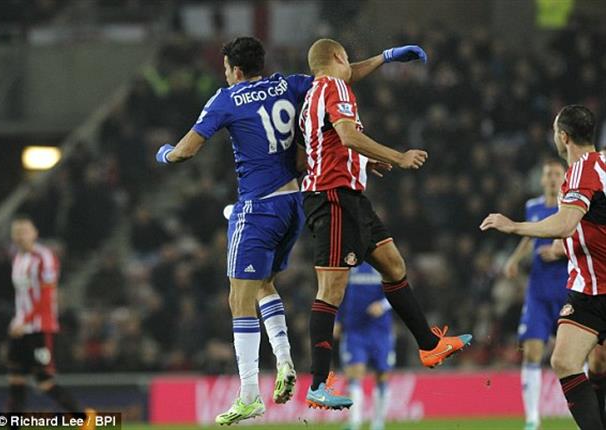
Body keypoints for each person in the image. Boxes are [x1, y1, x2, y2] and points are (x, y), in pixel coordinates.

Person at [155, 36, 422, 424]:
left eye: (226, 69)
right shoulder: (291, 83)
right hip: (297, 203)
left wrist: (164, 154)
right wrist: (386, 56)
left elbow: (186, 150)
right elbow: (342, 76)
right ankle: (284, 363)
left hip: (258, 206)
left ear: (234, 70)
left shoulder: (225, 99)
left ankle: (248, 393)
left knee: (238, 298)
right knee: (265, 285)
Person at [299, 38, 472, 410]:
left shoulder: (320, 89)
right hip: (332, 197)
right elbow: (346, 135)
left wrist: (386, 58)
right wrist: (398, 156)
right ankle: (317, 382)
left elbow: (331, 141)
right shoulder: (335, 86)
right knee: (331, 289)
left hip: (350, 195)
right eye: (349, 60)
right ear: (338, 58)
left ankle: (428, 344)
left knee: (394, 264)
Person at [480, 104, 606, 430]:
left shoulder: (580, 171)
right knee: (577, 360)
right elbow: (590, 226)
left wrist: (514, 227)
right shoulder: (603, 163)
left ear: (563, 137)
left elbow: (565, 224)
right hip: (587, 289)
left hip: (599, 287)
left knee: (574, 362)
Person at [6, 216, 95, 430]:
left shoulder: (44, 257)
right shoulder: (17, 259)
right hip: (20, 328)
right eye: (17, 231)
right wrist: (17, 320)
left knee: (44, 381)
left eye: (25, 231)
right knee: (16, 379)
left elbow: (46, 295)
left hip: (40, 327)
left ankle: (84, 419)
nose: (20, 235)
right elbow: (23, 297)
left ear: (35, 233)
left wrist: (25, 320)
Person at [502, 160, 568, 430]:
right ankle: (532, 419)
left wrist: (557, 251)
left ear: (564, 177)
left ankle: (585, 413)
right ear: (542, 180)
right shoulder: (533, 207)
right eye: (548, 174)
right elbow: (528, 237)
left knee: (576, 356)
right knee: (531, 352)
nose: (552, 178)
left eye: (556, 174)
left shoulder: (571, 207)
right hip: (538, 292)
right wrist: (514, 259)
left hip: (567, 290)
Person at [335, 262, 394, 430]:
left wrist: (382, 305)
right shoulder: (350, 264)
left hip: (380, 331)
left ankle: (378, 423)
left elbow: (399, 292)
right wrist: (338, 320)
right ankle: (354, 422)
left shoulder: (383, 263)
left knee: (382, 375)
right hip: (355, 330)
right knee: (354, 373)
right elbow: (340, 294)